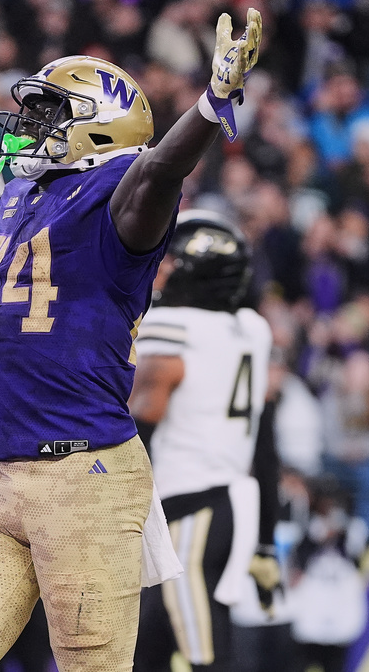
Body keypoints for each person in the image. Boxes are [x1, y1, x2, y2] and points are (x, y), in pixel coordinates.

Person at [0, 6, 262, 672]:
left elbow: (159, 172)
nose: (27, 127)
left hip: (85, 474)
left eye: (47, 114)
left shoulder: (120, 195)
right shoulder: (24, 198)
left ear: (94, 126)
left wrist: (211, 104)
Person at [129, 210, 280, 672]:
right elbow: (263, 436)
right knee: (147, 643)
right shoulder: (253, 329)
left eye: (172, 260)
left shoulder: (173, 326)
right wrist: (267, 538)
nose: (164, 269)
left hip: (187, 511)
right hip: (232, 502)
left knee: (204, 652)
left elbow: (142, 419)